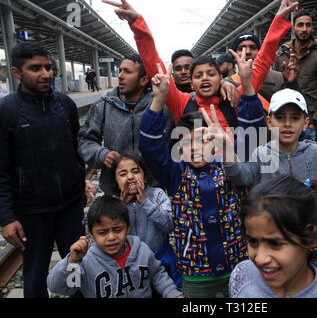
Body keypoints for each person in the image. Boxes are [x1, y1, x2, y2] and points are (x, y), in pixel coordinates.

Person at [136, 42, 267, 297]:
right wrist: (158, 99)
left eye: (205, 139)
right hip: (195, 274)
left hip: (239, 265)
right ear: (178, 150)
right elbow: (149, 146)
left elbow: (254, 133)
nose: (196, 147)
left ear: (217, 143)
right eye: (187, 141)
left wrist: (248, 83)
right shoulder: (175, 174)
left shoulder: (230, 166)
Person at [103, 0, 298, 132]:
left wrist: (280, 19)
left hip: (234, 181)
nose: (204, 78)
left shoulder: (237, 95)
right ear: (192, 84)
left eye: (210, 74)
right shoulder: (182, 102)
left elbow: (263, 61)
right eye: (198, 75)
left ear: (221, 78)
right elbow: (156, 67)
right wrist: (138, 25)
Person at [0, 42, 86, 298]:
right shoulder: (8, 111)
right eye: (35, 68)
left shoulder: (65, 105)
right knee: (35, 274)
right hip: (31, 211)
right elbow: (1, 170)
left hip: (69, 207)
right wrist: (6, 217)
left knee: (77, 267)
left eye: (48, 67)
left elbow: (75, 152)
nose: (45, 74)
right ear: (17, 73)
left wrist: (80, 185)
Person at [228, 174, 317, 298]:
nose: (260, 259)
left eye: (275, 244)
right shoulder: (242, 275)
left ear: (312, 239)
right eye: (253, 242)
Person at [47, 195, 183, 298]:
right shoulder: (85, 262)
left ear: (128, 228)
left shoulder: (142, 251)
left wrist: (174, 294)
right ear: (91, 234)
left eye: (117, 230)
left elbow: (158, 276)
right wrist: (72, 261)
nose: (111, 237)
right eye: (103, 232)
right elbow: (59, 287)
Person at [78, 54, 155, 196]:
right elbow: (85, 141)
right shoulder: (104, 104)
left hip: (152, 190)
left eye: (127, 71)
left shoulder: (158, 105)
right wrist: (102, 154)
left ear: (144, 80)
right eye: (120, 70)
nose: (120, 76)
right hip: (114, 191)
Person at [111, 153, 182, 289]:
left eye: (135, 171)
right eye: (123, 174)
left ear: (146, 176)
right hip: (128, 263)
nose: (130, 177)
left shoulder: (157, 195)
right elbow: (110, 231)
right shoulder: (112, 203)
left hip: (160, 259)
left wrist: (145, 202)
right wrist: (121, 207)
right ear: (115, 180)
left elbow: (169, 225)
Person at [274, 8, 317, 142]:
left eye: (308, 25)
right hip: (284, 120)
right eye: (300, 25)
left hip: (309, 121)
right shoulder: (281, 55)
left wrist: (314, 122)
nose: (304, 29)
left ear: (312, 28)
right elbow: (275, 88)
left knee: (308, 161)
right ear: (293, 28)